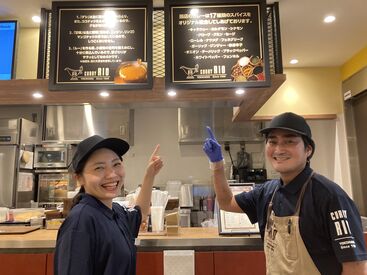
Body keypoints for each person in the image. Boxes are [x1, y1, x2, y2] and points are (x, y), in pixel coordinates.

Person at [203, 112, 367, 275]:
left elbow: (356, 268)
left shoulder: (331, 197)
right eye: (272, 142)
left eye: (289, 141)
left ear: (308, 149)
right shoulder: (267, 192)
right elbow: (226, 202)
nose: (279, 149)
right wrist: (216, 164)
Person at [54, 135, 163, 275]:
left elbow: (140, 214)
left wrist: (150, 175)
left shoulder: (115, 211)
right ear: (79, 178)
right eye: (99, 168)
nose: (111, 174)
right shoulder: (81, 221)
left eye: (116, 164)